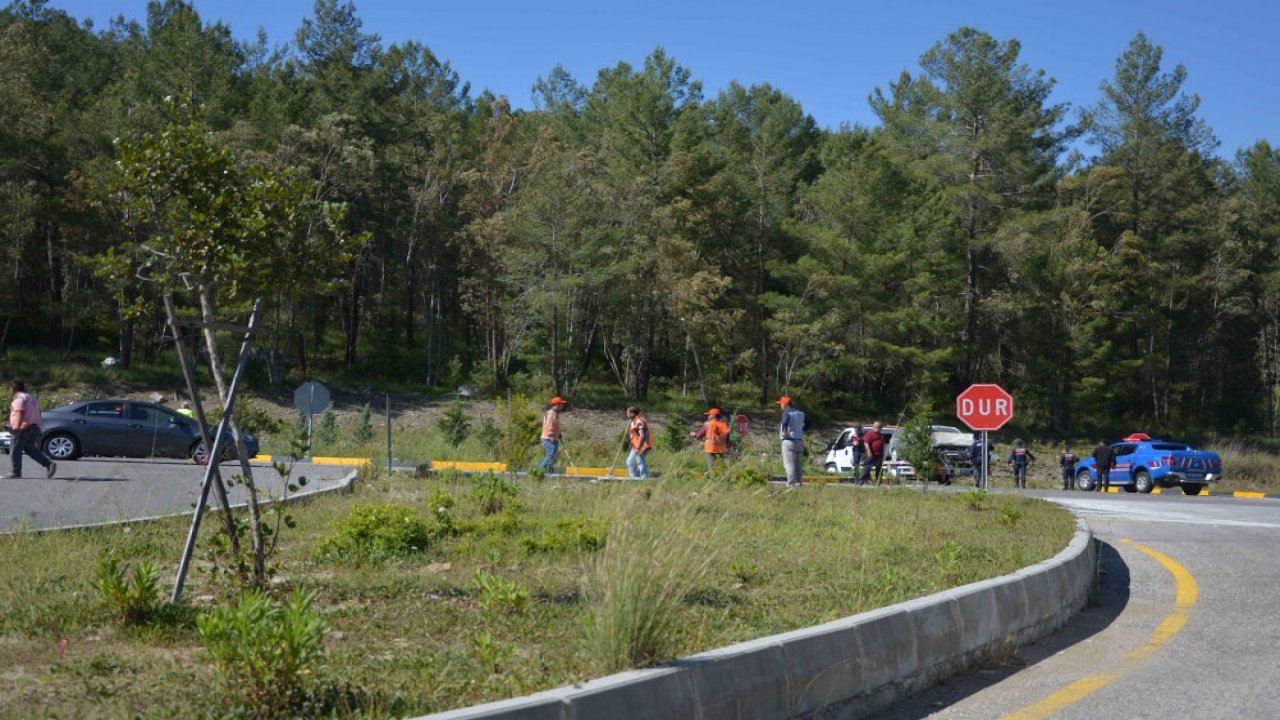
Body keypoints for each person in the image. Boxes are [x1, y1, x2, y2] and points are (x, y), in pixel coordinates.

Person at [7, 380, 56, 479]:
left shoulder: (19, 398)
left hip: (23, 428)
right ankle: (48, 464)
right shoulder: (32, 399)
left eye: (9, 389)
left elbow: (19, 412)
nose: (9, 391)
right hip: (34, 427)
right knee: (30, 449)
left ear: (14, 388)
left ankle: (16, 472)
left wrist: (16, 426)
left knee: (15, 450)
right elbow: (39, 412)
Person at [690, 408, 731, 473]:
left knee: (711, 467)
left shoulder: (707, 424)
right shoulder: (724, 425)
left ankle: (713, 477)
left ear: (713, 415)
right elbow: (728, 439)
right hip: (721, 449)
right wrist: (727, 447)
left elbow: (699, 435)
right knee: (721, 466)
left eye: (709, 415)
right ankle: (722, 477)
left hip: (710, 448)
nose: (708, 416)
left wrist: (694, 434)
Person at [777, 396, 807, 488]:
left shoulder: (786, 413)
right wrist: (803, 431)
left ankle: (790, 485)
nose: (780, 406)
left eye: (781, 404)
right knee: (798, 464)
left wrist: (784, 434)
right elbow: (809, 422)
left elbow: (784, 423)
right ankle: (798, 484)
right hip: (799, 441)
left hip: (789, 441)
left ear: (785, 404)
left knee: (789, 464)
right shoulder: (801, 413)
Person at [538, 396, 567, 472]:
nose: (562, 406)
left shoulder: (555, 413)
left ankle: (549, 471)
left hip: (554, 438)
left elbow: (555, 426)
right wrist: (551, 436)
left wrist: (558, 434)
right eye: (561, 404)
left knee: (554, 456)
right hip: (548, 438)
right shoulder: (551, 414)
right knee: (551, 454)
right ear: (557, 404)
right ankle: (538, 470)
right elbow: (549, 425)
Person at [625, 406, 652, 479]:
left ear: (632, 413)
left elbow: (641, 436)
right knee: (629, 462)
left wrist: (638, 448)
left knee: (640, 462)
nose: (626, 414)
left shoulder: (638, 422)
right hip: (635, 446)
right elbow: (634, 435)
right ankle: (634, 478)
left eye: (628, 412)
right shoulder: (633, 421)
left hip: (641, 446)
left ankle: (644, 478)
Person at [859, 421, 885, 485]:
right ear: (877, 427)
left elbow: (882, 444)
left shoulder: (880, 434)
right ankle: (861, 481)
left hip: (879, 454)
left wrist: (883, 453)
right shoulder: (870, 433)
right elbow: (866, 443)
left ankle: (878, 481)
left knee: (879, 468)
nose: (881, 428)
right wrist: (869, 451)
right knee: (867, 467)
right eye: (881, 427)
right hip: (872, 454)